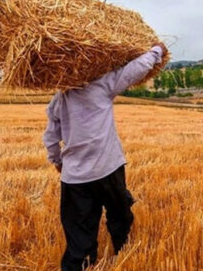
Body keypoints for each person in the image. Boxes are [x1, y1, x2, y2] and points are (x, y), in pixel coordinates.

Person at [42, 43, 168, 271]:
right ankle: (125, 255)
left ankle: (80, 265)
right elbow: (135, 69)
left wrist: (58, 161)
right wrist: (156, 51)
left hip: (75, 178)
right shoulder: (102, 85)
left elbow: (51, 137)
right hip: (108, 169)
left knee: (79, 231)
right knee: (120, 215)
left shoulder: (59, 99)